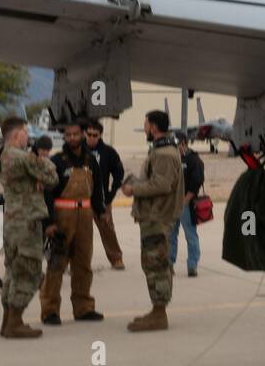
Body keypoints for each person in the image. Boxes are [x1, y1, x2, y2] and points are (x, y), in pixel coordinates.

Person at [121, 110, 182, 332]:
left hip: (157, 218)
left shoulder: (164, 153)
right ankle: (157, 311)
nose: (144, 127)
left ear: (154, 127)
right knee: (155, 264)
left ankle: (159, 314)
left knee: (156, 265)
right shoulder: (161, 150)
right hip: (153, 217)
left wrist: (133, 189)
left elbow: (162, 185)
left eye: (146, 124)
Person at [0, 116, 56, 338]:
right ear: (16, 134)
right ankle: (15, 322)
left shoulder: (2, 156)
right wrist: (44, 165)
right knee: (29, 272)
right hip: (27, 223)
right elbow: (52, 176)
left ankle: (7, 321)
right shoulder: (23, 158)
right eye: (25, 131)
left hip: (12, 222)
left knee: (12, 272)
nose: (27, 136)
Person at [40, 121, 105, 325]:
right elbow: (46, 194)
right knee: (57, 263)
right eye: (68, 135)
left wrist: (101, 211)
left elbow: (98, 188)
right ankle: (50, 310)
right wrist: (48, 223)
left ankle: (84, 308)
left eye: (76, 134)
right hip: (63, 215)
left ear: (83, 135)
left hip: (85, 215)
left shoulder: (91, 161)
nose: (72, 138)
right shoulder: (56, 161)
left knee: (83, 263)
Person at [85, 120, 125, 269]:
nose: (91, 137)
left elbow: (119, 173)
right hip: (82, 199)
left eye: (95, 135)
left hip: (102, 199)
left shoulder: (108, 152)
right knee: (82, 232)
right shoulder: (78, 151)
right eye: (89, 134)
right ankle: (81, 262)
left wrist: (111, 193)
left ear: (100, 135)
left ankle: (116, 258)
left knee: (107, 229)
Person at [170, 132, 203, 278]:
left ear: (183, 143)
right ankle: (169, 264)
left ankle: (192, 265)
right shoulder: (171, 159)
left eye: (175, 145)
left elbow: (197, 181)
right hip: (171, 203)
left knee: (190, 235)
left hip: (186, 205)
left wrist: (185, 200)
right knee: (170, 235)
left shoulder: (193, 159)